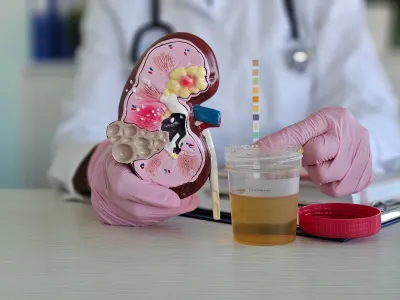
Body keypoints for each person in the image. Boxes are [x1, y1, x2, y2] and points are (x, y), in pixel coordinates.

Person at [48, 0, 400, 226]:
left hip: (288, 224)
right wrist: (100, 166)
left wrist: (355, 138)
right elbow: (81, 131)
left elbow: (378, 113)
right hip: (174, 229)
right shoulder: (119, 7)